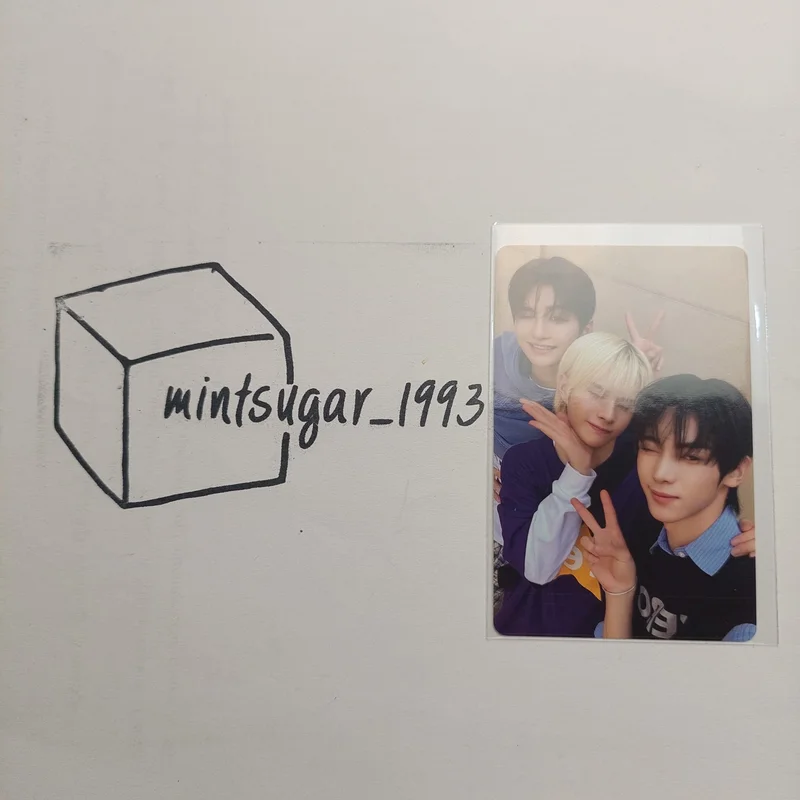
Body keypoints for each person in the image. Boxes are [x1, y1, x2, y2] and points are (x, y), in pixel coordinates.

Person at [491, 256, 664, 608]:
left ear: (586, 329)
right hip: (509, 512)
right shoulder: (490, 362)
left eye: (557, 318)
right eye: (527, 314)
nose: (539, 332)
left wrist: (636, 375)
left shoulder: (609, 416)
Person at [572, 375, 757, 642]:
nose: (660, 473)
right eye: (649, 448)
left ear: (737, 471)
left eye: (691, 457)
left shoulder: (750, 598)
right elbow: (615, 661)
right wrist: (619, 592)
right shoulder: (642, 530)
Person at [494, 332, 653, 636]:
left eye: (624, 404)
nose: (608, 414)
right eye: (597, 392)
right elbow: (538, 569)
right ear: (565, 385)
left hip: (610, 634)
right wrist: (578, 471)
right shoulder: (523, 462)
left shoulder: (641, 461)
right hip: (530, 631)